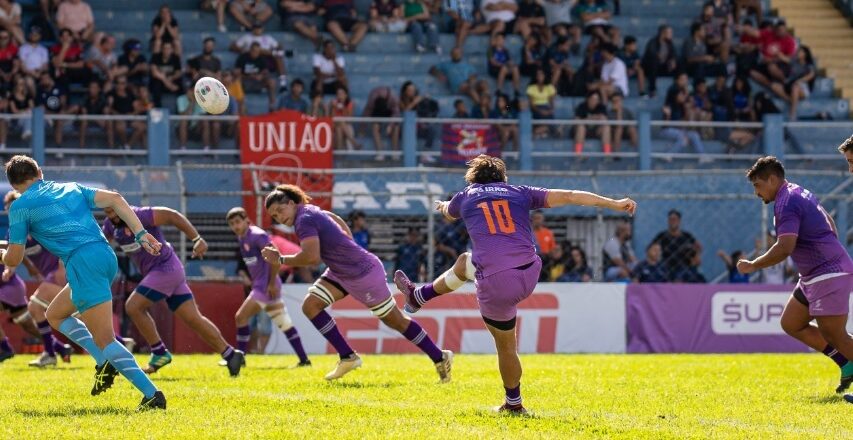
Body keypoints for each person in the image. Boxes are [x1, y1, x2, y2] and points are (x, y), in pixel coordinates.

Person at [394, 155, 636, 413]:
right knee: (466, 262)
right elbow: (570, 195)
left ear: (473, 178)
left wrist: (442, 204)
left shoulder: (466, 195)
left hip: (498, 282)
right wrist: (614, 203)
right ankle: (419, 296)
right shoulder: (520, 192)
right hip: (530, 272)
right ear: (503, 178)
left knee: (506, 346)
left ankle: (514, 403)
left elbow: (448, 213)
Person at [2, 155, 166, 410]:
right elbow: (115, 199)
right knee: (54, 314)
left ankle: (151, 394)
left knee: (106, 339)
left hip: (82, 263)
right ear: (40, 172)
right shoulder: (70, 187)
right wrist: (141, 233)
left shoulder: (20, 206)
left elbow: (14, 257)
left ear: (14, 186)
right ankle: (103, 361)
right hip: (105, 256)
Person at [260, 185, 453, 382]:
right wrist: (347, 244)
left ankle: (440, 356)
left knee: (395, 321)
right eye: (274, 216)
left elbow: (311, 258)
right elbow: (336, 221)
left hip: (363, 274)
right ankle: (347, 356)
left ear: (292, 203)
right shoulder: (310, 212)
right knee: (311, 306)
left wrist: (281, 259)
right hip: (341, 272)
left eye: (280, 210)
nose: (279, 217)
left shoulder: (303, 220)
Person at [736, 156, 853, 394]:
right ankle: (846, 363)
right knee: (792, 323)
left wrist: (753, 265)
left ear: (772, 179)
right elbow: (829, 221)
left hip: (827, 273)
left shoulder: (786, 201)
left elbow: (785, 247)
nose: (757, 193)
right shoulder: (796, 191)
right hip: (815, 274)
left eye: (758, 185)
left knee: (834, 334)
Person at [102, 205, 244, 375]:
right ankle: (230, 354)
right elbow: (101, 244)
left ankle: (159, 352)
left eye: (114, 211)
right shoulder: (111, 225)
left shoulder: (140, 215)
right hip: (164, 273)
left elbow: (172, 216)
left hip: (165, 269)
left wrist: (197, 238)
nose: (112, 216)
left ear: (122, 206)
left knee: (133, 306)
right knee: (194, 319)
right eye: (107, 212)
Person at [225, 208, 311, 368]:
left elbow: (276, 259)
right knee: (285, 324)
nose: (235, 226)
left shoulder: (258, 236)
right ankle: (304, 360)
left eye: (237, 222)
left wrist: (271, 283)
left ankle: (240, 358)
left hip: (265, 287)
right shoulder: (241, 238)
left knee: (240, 317)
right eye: (232, 224)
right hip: (264, 286)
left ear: (246, 220)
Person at [3, 191, 72, 368]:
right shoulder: (13, 233)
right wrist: (9, 270)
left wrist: (61, 267)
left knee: (36, 307)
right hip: (47, 276)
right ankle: (53, 351)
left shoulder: (38, 223)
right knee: (43, 311)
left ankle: (51, 352)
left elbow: (62, 241)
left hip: (60, 272)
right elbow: (13, 256)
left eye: (16, 208)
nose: (13, 212)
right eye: (9, 209)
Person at [651, 209, 698, 281]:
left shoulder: (686, 236)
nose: (672, 221)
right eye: (670, 219)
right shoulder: (662, 236)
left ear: (679, 221)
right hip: (665, 265)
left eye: (675, 219)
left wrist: (696, 256)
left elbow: (698, 247)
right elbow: (651, 249)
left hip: (684, 265)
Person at [362, 85, 400, 160]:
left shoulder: (393, 97)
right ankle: (380, 152)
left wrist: (390, 126)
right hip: (376, 113)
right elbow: (367, 111)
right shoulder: (372, 98)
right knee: (375, 126)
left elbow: (396, 113)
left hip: (389, 113)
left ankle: (394, 153)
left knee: (396, 126)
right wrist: (362, 127)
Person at [641, 25, 677, 98]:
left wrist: (673, 61)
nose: (671, 34)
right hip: (651, 67)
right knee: (654, 63)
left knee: (678, 63)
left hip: (663, 67)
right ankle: (652, 90)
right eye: (669, 32)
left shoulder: (670, 43)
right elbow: (651, 54)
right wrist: (659, 56)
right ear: (663, 33)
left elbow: (673, 55)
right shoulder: (653, 42)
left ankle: (677, 89)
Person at [148, 41, 183, 108]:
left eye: (169, 48)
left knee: (181, 86)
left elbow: (178, 73)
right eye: (165, 48)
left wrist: (171, 78)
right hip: (160, 81)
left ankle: (180, 109)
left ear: (172, 50)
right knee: (156, 84)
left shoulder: (175, 58)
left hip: (171, 79)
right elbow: (154, 73)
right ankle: (158, 108)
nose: (167, 50)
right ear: (161, 49)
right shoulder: (156, 57)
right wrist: (167, 82)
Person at [18, 27, 49, 96]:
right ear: (29, 35)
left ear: (40, 36)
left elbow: (45, 65)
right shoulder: (23, 48)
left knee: (48, 81)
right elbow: (22, 66)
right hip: (28, 73)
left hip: (41, 72)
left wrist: (39, 73)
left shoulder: (43, 49)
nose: (34, 36)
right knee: (29, 82)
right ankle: (36, 100)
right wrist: (33, 73)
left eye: (36, 35)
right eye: (32, 34)